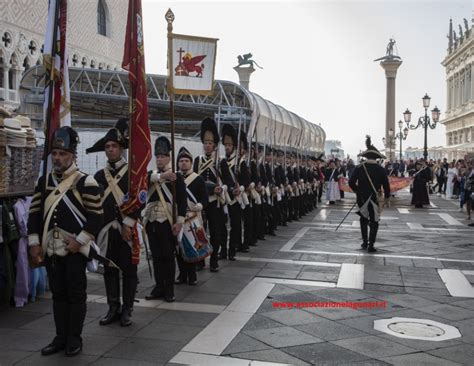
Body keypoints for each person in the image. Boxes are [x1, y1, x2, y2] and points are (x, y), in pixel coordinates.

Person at [28, 126, 104, 356]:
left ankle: (74, 338)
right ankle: (60, 337)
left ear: (72, 155)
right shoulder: (44, 182)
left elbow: (96, 217)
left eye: (63, 154)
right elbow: (34, 214)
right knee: (58, 295)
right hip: (51, 249)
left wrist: (79, 241)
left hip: (74, 250)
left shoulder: (86, 182)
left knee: (75, 294)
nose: (58, 158)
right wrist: (34, 243)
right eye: (55, 154)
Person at [87, 119, 141, 327]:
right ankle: (113, 307)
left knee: (129, 271)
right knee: (110, 270)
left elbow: (140, 200)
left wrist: (128, 223)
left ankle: (127, 309)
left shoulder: (132, 174)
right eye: (107, 147)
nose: (110, 150)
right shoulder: (99, 176)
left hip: (127, 230)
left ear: (121, 148)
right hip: (107, 231)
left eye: (114, 146)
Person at [144, 135, 186, 302]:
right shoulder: (152, 175)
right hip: (151, 221)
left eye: (163, 156)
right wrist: (162, 177)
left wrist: (180, 222)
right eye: (158, 157)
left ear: (169, 157)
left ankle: (169, 289)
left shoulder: (177, 177)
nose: (160, 159)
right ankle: (158, 286)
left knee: (168, 256)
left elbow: (182, 201)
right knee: (156, 256)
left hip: (168, 222)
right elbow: (142, 181)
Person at [193, 117, 227, 272]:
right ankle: (200, 259)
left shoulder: (220, 161)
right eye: (205, 143)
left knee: (215, 231)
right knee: (200, 231)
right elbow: (193, 179)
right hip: (201, 200)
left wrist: (222, 189)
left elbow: (229, 182)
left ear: (214, 145)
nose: (207, 146)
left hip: (215, 201)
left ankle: (213, 260)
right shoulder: (197, 160)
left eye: (210, 143)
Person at [349, 136, 390, 253]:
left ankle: (364, 242)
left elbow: (351, 182)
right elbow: (386, 185)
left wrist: (358, 191)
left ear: (366, 156)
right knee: (375, 220)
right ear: (377, 158)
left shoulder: (359, 168)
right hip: (374, 197)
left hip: (362, 198)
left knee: (363, 219)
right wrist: (387, 198)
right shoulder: (380, 169)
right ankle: (371, 244)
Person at [176, 146, 209, 285]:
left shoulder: (198, 179)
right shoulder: (175, 178)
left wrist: (200, 206)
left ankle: (192, 276)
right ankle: (182, 275)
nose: (183, 163)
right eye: (181, 160)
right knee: (179, 248)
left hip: (193, 217)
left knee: (193, 247)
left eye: (186, 161)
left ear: (190, 163)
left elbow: (205, 198)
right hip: (178, 217)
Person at [221, 124, 243, 260]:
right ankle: (223, 250)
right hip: (223, 196)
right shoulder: (220, 161)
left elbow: (246, 180)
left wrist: (239, 189)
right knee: (222, 226)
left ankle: (232, 250)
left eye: (229, 145)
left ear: (233, 146)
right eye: (226, 145)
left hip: (235, 196)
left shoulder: (240, 162)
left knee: (235, 225)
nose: (227, 147)